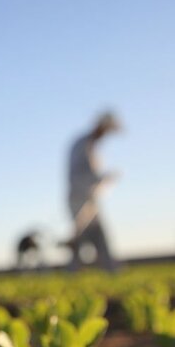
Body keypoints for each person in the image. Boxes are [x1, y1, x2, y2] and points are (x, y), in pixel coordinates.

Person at [65, 111, 122, 271]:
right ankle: (72, 273)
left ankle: (111, 270)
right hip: (79, 198)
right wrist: (104, 177)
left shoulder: (90, 145)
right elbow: (81, 174)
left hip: (90, 199)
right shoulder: (83, 145)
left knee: (99, 236)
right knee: (80, 238)